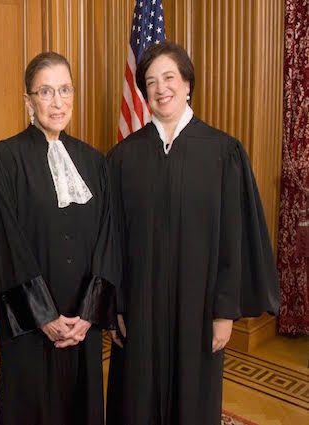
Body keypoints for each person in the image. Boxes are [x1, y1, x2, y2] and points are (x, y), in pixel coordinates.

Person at [105, 41, 280, 425]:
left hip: (198, 310)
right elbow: (112, 240)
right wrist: (116, 305)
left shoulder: (223, 154)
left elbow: (233, 239)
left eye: (169, 77)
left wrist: (224, 312)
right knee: (137, 400)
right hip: (140, 307)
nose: (160, 88)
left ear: (187, 84)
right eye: (151, 82)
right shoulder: (123, 158)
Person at [0, 51, 120, 425]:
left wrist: (89, 314)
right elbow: (7, 243)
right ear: (28, 100)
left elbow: (107, 238)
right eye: (45, 92)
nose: (57, 102)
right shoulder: (5, 158)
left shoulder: (94, 161)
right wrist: (43, 315)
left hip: (81, 320)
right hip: (31, 324)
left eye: (65, 90)